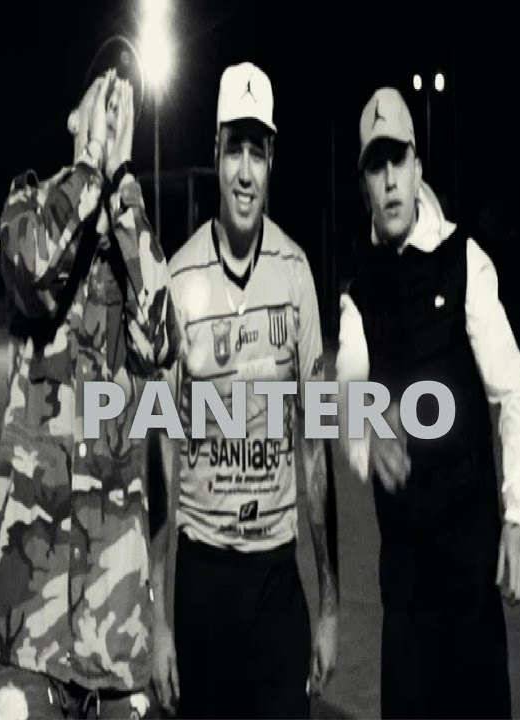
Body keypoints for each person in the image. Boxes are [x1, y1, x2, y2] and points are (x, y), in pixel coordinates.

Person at [0, 40, 180, 720]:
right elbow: (34, 274)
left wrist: (123, 187)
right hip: (30, 614)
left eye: (129, 103)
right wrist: (89, 164)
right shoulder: (27, 202)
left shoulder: (131, 235)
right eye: (105, 94)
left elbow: (162, 339)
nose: (117, 110)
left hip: (112, 615)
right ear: (74, 113)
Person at [334, 87, 520, 719]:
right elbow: (346, 387)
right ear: (365, 185)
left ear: (417, 164)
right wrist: (367, 436)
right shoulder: (359, 291)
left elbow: (512, 396)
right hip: (406, 598)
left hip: (472, 583)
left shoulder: (464, 262)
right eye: (376, 167)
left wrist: (517, 518)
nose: (390, 180)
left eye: (398, 160)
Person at [149, 62, 339, 719]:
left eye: (258, 152)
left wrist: (330, 606)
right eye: (235, 149)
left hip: (276, 582)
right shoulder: (179, 281)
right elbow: (161, 456)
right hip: (202, 583)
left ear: (272, 159)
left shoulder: (296, 274)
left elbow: (316, 447)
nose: (245, 172)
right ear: (216, 153)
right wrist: (160, 621)